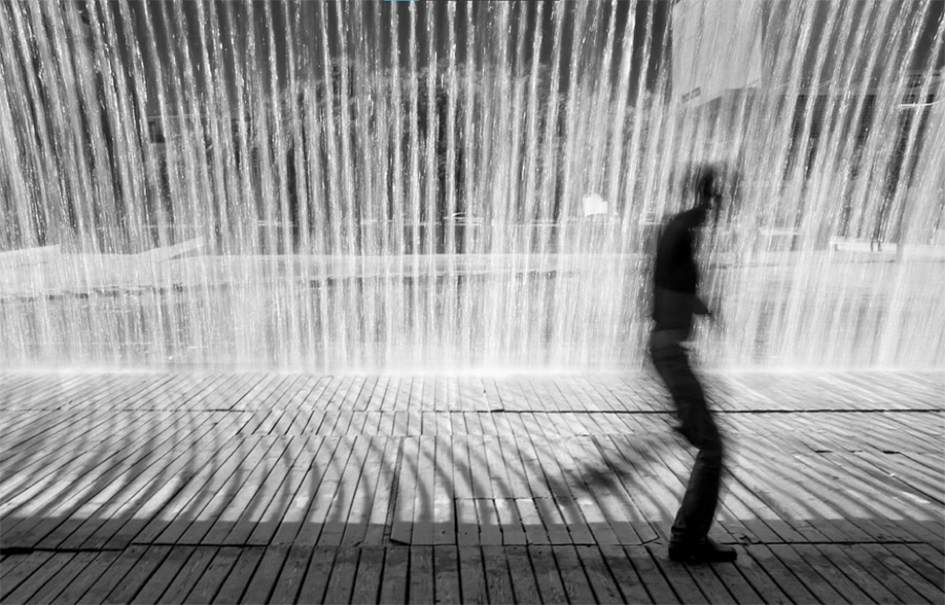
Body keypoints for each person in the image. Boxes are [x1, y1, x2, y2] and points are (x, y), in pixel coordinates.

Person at [649, 163, 737, 564]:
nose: (717, 213)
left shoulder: (677, 231)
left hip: (668, 351)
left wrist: (705, 310)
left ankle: (688, 537)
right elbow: (672, 295)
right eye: (717, 200)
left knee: (706, 440)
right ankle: (687, 540)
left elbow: (673, 291)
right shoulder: (682, 230)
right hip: (670, 353)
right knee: (713, 449)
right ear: (709, 197)